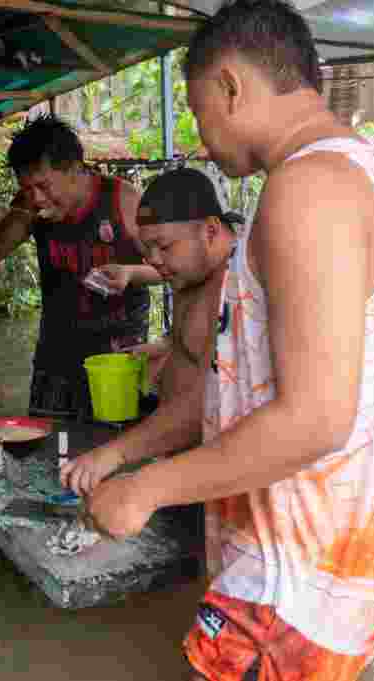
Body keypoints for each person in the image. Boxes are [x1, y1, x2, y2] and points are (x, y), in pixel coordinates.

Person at [78, 3, 374, 681]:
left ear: (230, 86)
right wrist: (127, 454)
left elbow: (314, 419)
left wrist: (148, 489)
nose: (199, 136)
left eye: (197, 113)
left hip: (289, 589)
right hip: (342, 575)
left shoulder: (303, 189)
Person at [0, 113, 162, 419]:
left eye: (43, 186)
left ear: (74, 168)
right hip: (55, 363)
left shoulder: (123, 201)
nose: (36, 198)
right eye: (27, 187)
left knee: (114, 453)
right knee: (47, 452)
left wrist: (131, 273)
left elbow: (173, 269)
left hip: (118, 361)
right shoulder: (27, 205)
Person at [61, 167, 240, 494]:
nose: (155, 261)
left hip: (220, 471)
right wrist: (159, 350)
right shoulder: (190, 273)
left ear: (211, 231)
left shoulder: (239, 291)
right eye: (147, 250)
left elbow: (211, 398)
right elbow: (191, 344)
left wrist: (114, 454)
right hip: (181, 459)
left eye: (164, 246)